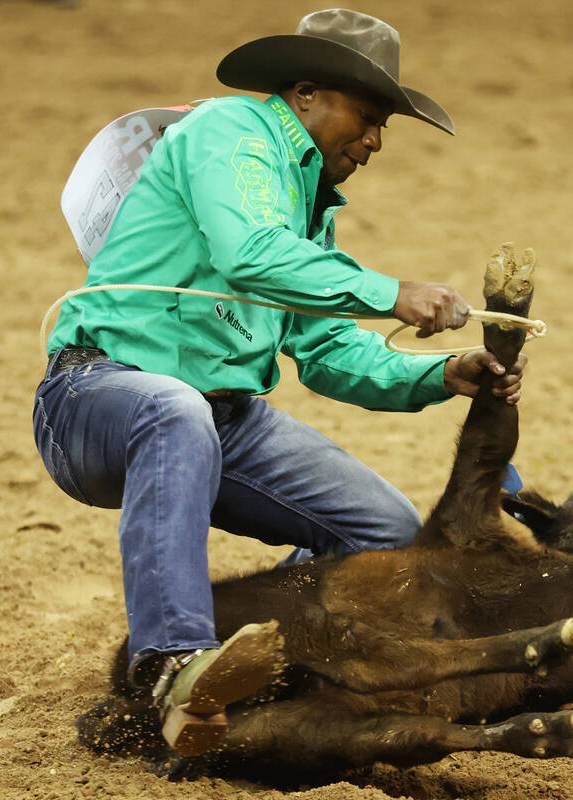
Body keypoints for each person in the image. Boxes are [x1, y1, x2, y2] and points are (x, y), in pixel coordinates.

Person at [32, 8, 527, 757]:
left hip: (220, 420)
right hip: (97, 395)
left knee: (385, 536)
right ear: (304, 94)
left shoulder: (305, 211)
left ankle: (275, 672)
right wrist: (391, 292)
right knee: (172, 411)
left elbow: (327, 351)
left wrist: (441, 373)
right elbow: (249, 254)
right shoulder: (227, 132)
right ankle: (172, 664)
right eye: (368, 115)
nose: (376, 140)